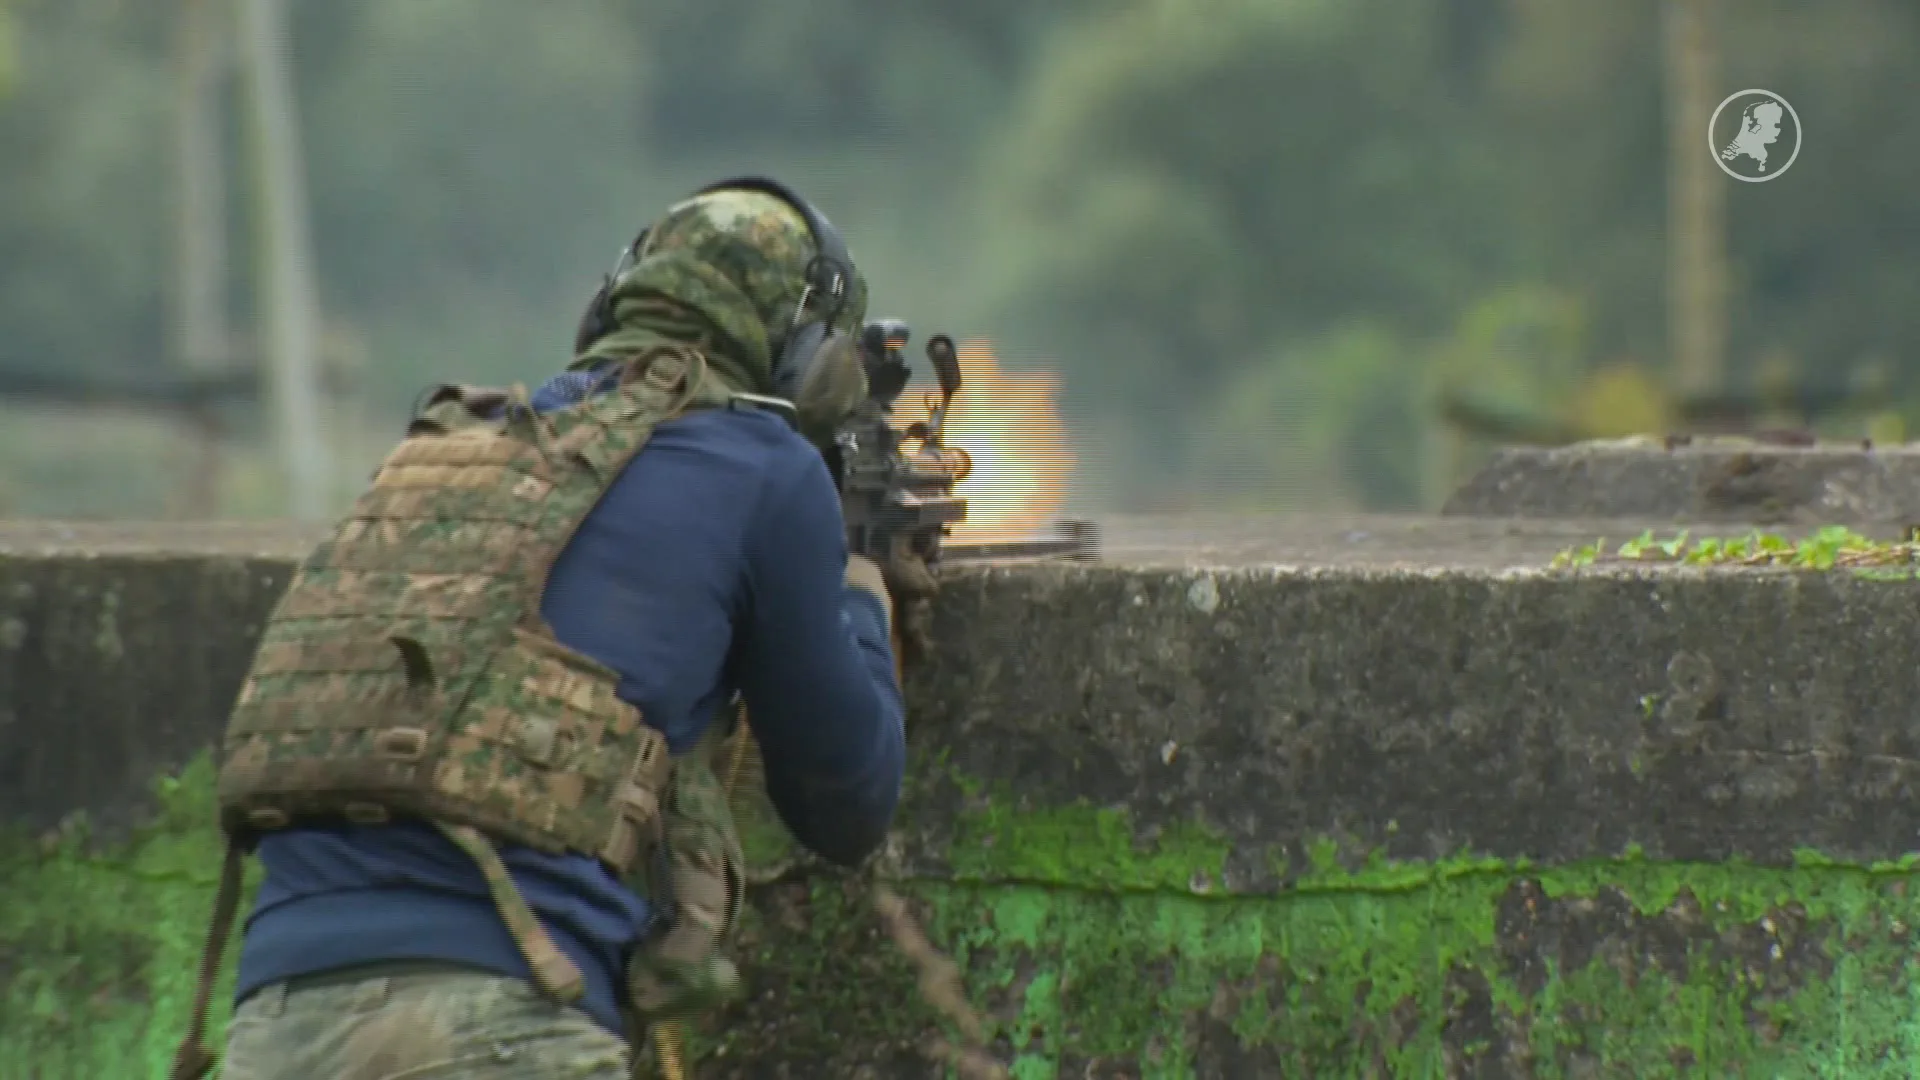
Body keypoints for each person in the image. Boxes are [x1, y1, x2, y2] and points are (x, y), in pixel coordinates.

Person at [170, 177, 913, 1080]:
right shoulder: (766, 468)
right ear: (806, 360)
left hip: (276, 1017)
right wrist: (861, 583)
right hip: (507, 1011)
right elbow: (847, 801)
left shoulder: (450, 452)